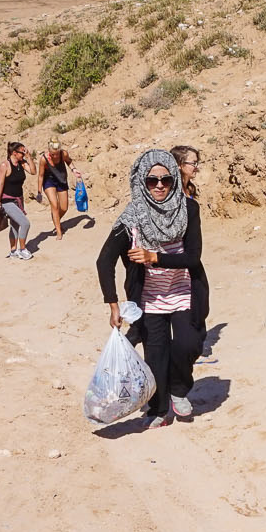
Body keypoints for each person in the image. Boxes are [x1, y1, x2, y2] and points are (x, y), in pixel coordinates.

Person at [96, 151, 207, 426]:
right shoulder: (131, 218)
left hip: (184, 292)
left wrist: (154, 257)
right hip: (149, 298)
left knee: (188, 344)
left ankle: (179, 391)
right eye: (151, 181)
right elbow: (104, 260)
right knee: (155, 355)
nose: (159, 186)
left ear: (175, 181)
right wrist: (113, 305)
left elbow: (193, 257)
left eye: (166, 180)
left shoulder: (189, 210)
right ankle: (159, 409)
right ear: (140, 182)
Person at [0, 142, 33, 259]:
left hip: (19, 200)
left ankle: (13, 251)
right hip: (7, 200)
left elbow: (33, 171)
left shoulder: (21, 164)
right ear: (14, 153)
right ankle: (22, 249)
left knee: (14, 225)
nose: (24, 153)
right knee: (25, 223)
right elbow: (0, 183)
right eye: (22, 152)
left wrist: (29, 157)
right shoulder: (4, 165)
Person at [39, 142, 80, 239]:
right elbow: (40, 176)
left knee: (64, 207)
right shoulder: (44, 159)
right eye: (53, 154)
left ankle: (55, 218)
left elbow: (69, 161)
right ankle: (59, 231)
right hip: (49, 181)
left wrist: (74, 170)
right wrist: (39, 192)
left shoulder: (63, 154)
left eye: (57, 153)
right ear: (49, 152)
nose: (55, 156)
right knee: (54, 205)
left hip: (61, 180)